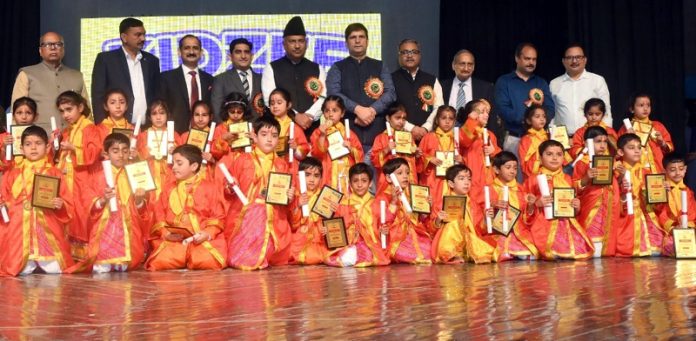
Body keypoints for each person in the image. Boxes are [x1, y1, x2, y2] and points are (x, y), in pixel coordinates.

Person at [69, 133, 152, 273]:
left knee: (126, 265)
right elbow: (88, 202)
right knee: (102, 266)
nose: (121, 155)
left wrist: (139, 201)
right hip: (105, 226)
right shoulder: (98, 176)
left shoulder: (136, 174)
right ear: (106, 154)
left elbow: (144, 208)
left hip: (129, 227)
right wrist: (103, 199)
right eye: (115, 151)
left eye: (125, 151)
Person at [222, 115, 294, 270]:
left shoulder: (282, 164)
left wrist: (289, 196)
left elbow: (285, 196)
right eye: (264, 135)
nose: (269, 139)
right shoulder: (242, 160)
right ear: (254, 136)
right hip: (246, 216)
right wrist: (230, 186)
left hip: (273, 217)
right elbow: (228, 190)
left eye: (274, 136)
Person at [0, 126, 74, 276]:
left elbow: (67, 202)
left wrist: (60, 205)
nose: (33, 148)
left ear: (47, 147)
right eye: (28, 144)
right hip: (19, 230)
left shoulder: (53, 172)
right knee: (19, 269)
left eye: (38, 143)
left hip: (47, 227)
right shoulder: (14, 173)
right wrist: (4, 206)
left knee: (56, 269)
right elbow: (5, 197)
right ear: (21, 148)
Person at [145, 144, 227, 271]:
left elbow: (218, 217)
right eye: (173, 163)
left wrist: (207, 234)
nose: (174, 168)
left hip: (200, 239)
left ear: (194, 166)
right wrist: (166, 234)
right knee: (160, 261)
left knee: (206, 261)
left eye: (179, 163)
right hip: (175, 240)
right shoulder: (168, 188)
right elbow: (159, 215)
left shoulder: (210, 187)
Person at [326, 23, 396, 168]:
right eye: (353, 38)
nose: (357, 41)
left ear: (367, 41)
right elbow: (333, 93)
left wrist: (371, 111)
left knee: (376, 182)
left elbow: (391, 93)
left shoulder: (380, 65)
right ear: (346, 43)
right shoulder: (337, 67)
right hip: (348, 134)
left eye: (361, 37)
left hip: (377, 133)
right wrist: (357, 109)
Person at [522, 140, 594, 260]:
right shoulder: (533, 180)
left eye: (559, 154)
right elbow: (523, 204)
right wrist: (536, 204)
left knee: (578, 249)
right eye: (549, 154)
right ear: (540, 158)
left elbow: (573, 205)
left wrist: (576, 206)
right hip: (543, 223)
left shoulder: (567, 178)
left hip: (566, 223)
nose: (554, 158)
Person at [262, 16, 326, 136]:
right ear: (284, 44)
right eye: (292, 41)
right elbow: (268, 100)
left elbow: (324, 97)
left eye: (301, 41)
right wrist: (295, 116)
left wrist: (310, 116)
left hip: (312, 131)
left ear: (306, 44)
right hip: (281, 132)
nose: (297, 46)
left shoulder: (317, 68)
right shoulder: (271, 68)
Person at [11, 32, 89, 131]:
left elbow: (87, 112)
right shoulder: (27, 74)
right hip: (39, 139)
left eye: (58, 44)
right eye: (47, 44)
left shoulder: (77, 76)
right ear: (40, 50)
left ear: (63, 49)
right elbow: (17, 112)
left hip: (73, 140)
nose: (53, 48)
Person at [56, 91, 101, 256]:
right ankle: (70, 251)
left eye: (69, 109)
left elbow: (94, 152)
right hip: (69, 178)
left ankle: (84, 253)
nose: (65, 114)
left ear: (80, 107)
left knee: (82, 213)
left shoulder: (89, 127)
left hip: (83, 179)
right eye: (62, 111)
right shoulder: (68, 130)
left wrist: (74, 149)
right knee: (69, 211)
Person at [92, 17, 160, 124]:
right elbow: (98, 96)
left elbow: (156, 95)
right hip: (116, 127)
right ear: (124, 37)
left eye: (144, 34)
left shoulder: (152, 61)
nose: (143, 38)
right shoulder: (106, 60)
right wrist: (101, 126)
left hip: (148, 127)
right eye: (137, 35)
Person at [494, 43, 555, 158]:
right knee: (514, 175)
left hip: (539, 139)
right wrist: (528, 120)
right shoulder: (504, 81)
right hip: (515, 139)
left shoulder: (541, 82)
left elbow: (550, 109)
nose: (531, 62)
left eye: (534, 59)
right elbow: (503, 109)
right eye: (527, 59)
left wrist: (538, 121)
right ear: (517, 58)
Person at [325, 163, 390, 267]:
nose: (359, 185)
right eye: (356, 181)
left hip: (370, 244)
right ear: (350, 184)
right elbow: (337, 230)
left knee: (366, 256)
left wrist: (384, 231)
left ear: (370, 183)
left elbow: (382, 226)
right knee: (344, 258)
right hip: (349, 244)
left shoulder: (376, 203)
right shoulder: (343, 203)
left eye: (364, 181)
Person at [431, 164, 498, 264]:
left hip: (469, 240)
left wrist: (486, 219)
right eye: (461, 179)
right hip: (447, 243)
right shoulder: (442, 203)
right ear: (451, 184)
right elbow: (431, 229)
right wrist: (438, 220)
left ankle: (466, 253)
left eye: (469, 179)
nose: (466, 182)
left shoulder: (473, 204)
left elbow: (479, 229)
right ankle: (452, 255)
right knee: (453, 224)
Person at [572, 126, 621, 257]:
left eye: (605, 141)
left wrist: (621, 173)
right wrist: (587, 177)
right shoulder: (582, 162)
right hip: (591, 200)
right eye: (598, 141)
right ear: (587, 143)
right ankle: (589, 249)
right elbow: (574, 186)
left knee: (608, 225)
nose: (603, 145)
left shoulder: (610, 160)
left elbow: (617, 179)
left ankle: (607, 250)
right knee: (592, 225)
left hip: (610, 199)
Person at [614, 134, 664, 257]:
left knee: (658, 247)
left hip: (645, 212)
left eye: (639, 147)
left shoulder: (646, 171)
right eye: (631, 148)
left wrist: (663, 192)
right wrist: (620, 180)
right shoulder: (615, 170)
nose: (636, 150)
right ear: (620, 151)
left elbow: (653, 199)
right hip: (624, 213)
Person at [377, 158, 432, 264]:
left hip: (414, 234)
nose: (405, 176)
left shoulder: (413, 194)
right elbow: (383, 223)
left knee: (431, 251)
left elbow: (420, 220)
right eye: (400, 173)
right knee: (414, 256)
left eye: (407, 172)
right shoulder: (383, 197)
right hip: (395, 238)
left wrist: (425, 208)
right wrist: (393, 202)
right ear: (389, 178)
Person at [550, 43, 612, 136]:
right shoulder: (554, 83)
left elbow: (606, 110)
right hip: (564, 140)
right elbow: (551, 113)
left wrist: (606, 135)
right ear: (563, 61)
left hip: (592, 137)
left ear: (585, 60)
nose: (574, 61)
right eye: (570, 57)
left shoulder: (597, 80)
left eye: (578, 57)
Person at [157, 34, 213, 133]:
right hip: (174, 135)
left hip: (204, 135)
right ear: (179, 52)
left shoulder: (210, 80)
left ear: (201, 52)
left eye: (195, 48)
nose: (191, 52)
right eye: (187, 48)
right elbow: (161, 108)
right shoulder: (166, 78)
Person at [309, 95, 364, 194]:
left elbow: (360, 156)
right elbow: (317, 155)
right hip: (327, 174)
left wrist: (350, 148)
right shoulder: (317, 132)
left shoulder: (348, 133)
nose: (330, 114)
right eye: (327, 111)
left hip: (346, 175)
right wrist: (322, 136)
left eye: (335, 110)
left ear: (342, 113)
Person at [443, 49, 502, 140]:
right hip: (446, 138)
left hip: (475, 141)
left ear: (474, 67)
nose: (466, 68)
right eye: (462, 64)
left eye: (470, 64)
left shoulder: (486, 88)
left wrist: (492, 142)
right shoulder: (442, 86)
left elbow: (492, 119)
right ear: (453, 65)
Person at [489, 151, 538, 261]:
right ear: (496, 169)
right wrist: (493, 205)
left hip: (519, 231)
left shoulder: (520, 189)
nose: (512, 171)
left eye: (515, 168)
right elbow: (481, 213)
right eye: (508, 167)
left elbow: (526, 216)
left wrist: (531, 205)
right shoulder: (490, 189)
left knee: (532, 253)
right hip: (497, 232)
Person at [391, 39, 443, 139]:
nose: (409, 55)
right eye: (405, 52)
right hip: (400, 137)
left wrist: (426, 128)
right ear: (399, 56)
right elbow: (389, 109)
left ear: (420, 55)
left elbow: (438, 107)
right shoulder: (391, 79)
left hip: (428, 136)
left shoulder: (432, 80)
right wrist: (411, 128)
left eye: (414, 52)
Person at [370, 103, 422, 191]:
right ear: (388, 118)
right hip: (389, 184)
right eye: (397, 118)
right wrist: (386, 150)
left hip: (408, 182)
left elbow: (416, 166)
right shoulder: (381, 138)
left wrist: (417, 156)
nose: (401, 121)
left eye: (404, 118)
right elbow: (374, 160)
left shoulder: (409, 137)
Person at [617, 93, 673, 173]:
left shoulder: (657, 126)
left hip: (657, 169)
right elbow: (618, 153)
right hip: (635, 172)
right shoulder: (626, 128)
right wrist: (627, 138)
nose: (645, 108)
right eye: (641, 105)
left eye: (648, 105)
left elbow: (670, 149)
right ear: (632, 109)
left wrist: (662, 143)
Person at [418, 105, 461, 212]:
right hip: (432, 179)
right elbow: (418, 157)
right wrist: (429, 159)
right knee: (433, 207)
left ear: (455, 121)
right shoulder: (429, 137)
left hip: (451, 181)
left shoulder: (457, 138)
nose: (447, 121)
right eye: (443, 118)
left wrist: (461, 159)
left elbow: (466, 161)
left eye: (451, 118)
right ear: (437, 120)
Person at [135, 100, 179, 201]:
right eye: (154, 113)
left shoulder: (174, 135)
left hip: (169, 173)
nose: (158, 117)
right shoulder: (143, 136)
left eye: (162, 113)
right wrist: (144, 152)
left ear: (167, 115)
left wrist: (175, 152)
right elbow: (138, 161)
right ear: (149, 117)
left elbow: (183, 159)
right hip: (150, 173)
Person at [288, 157, 329, 265]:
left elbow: (327, 221)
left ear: (321, 178)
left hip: (319, 236)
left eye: (316, 176)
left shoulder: (324, 196)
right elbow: (293, 225)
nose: (312, 179)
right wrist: (298, 205)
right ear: (300, 176)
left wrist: (326, 229)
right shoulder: (295, 195)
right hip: (300, 235)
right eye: (307, 175)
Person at [654, 153, 696, 256]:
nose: (677, 173)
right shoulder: (661, 188)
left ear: (685, 169)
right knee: (672, 244)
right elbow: (660, 212)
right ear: (665, 171)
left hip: (687, 226)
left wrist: (687, 224)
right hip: (669, 228)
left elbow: (692, 211)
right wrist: (673, 227)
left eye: (681, 169)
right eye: (672, 170)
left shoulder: (688, 191)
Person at [211, 38, 261, 122]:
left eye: (246, 52)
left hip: (259, 132)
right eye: (238, 52)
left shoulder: (261, 79)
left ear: (252, 56)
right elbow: (217, 111)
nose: (243, 56)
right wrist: (227, 132)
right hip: (232, 132)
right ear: (230, 56)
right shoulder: (220, 79)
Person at [457, 99, 501, 186]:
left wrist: (494, 152)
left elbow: (500, 159)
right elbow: (465, 141)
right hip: (471, 179)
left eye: (487, 112)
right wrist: (471, 121)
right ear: (472, 114)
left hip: (488, 179)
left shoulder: (490, 135)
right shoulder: (463, 131)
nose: (486, 115)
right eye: (482, 111)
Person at [267, 88, 310, 167]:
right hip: (271, 165)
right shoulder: (267, 127)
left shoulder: (294, 128)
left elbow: (304, 150)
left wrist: (296, 148)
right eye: (272, 103)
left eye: (279, 103)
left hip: (290, 166)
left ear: (289, 105)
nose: (275, 106)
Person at [0, 97, 43, 171]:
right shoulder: (3, 138)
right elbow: (3, 166)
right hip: (11, 177)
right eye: (19, 113)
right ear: (13, 116)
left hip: (33, 174)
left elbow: (46, 160)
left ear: (35, 116)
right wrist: (4, 148)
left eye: (28, 113)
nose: (24, 117)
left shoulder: (40, 136)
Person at [179, 101, 216, 179]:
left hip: (208, 176)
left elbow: (225, 163)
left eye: (204, 115)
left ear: (211, 116)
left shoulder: (216, 136)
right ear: (192, 116)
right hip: (188, 177)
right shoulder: (185, 136)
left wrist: (212, 160)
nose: (200, 119)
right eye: (197, 115)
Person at [210, 92, 251, 163]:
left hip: (244, 165)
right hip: (224, 166)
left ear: (244, 112)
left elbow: (253, 153)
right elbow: (214, 153)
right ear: (226, 111)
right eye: (232, 112)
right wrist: (223, 139)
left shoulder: (249, 128)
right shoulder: (220, 128)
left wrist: (253, 142)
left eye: (239, 112)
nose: (235, 115)